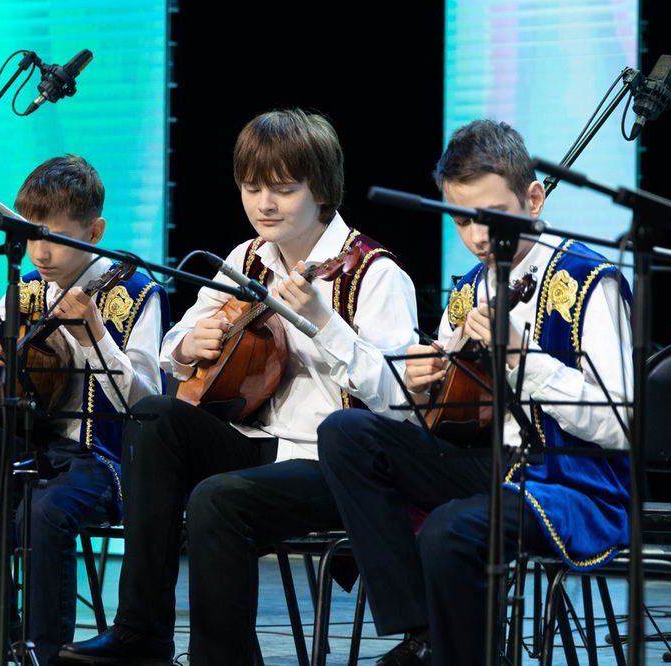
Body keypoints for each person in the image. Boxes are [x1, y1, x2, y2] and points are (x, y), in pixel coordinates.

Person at [58, 109, 418, 665]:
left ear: (322, 190)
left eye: (283, 189)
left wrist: (324, 324)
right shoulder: (245, 258)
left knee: (217, 498)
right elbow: (175, 346)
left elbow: (398, 399)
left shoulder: (375, 273)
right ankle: (140, 632)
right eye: (251, 188)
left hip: (334, 463)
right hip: (258, 443)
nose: (264, 204)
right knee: (154, 416)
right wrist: (189, 345)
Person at [317, 119, 633, 665]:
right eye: (462, 220)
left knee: (448, 529)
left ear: (533, 199)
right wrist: (420, 391)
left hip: (569, 480)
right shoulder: (468, 292)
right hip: (487, 469)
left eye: (492, 216)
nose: (478, 236)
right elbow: (444, 421)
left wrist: (522, 360)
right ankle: (422, 633)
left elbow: (623, 425)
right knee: (346, 432)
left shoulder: (589, 280)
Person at [0, 154, 169, 665]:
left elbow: (145, 402)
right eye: (32, 235)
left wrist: (95, 337)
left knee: (45, 508)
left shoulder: (137, 292)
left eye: (54, 237)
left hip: (100, 457)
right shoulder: (28, 287)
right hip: (27, 443)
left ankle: (47, 651)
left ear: (95, 232)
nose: (40, 251)